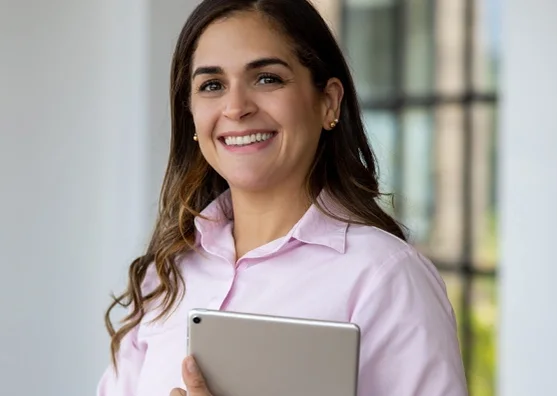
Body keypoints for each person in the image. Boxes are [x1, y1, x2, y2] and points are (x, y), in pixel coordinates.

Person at [96, 0, 467, 395]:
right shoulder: (168, 273)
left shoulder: (385, 277)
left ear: (328, 102)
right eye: (212, 85)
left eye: (267, 78)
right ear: (191, 115)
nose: (236, 107)